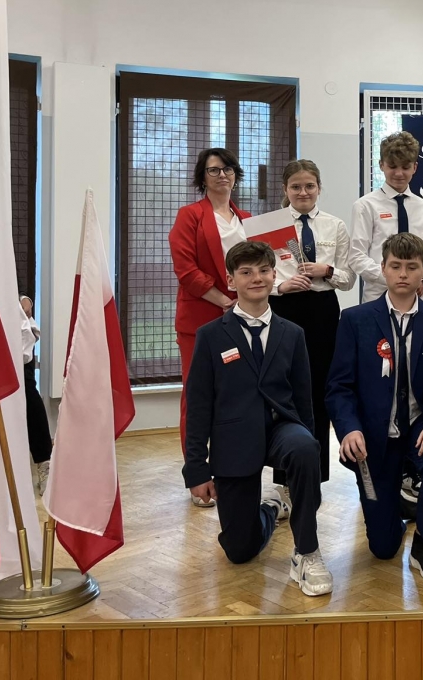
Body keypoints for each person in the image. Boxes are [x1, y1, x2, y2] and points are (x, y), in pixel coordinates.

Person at [182, 241, 332, 596]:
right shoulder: (210, 336)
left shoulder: (292, 333)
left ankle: (307, 553)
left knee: (304, 447)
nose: (256, 278)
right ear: (231, 280)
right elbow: (198, 406)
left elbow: (304, 398)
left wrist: (309, 450)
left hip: (282, 429)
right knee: (239, 550)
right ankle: (270, 508)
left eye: (264, 270)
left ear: (274, 274)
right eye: (246, 272)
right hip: (234, 440)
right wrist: (197, 470)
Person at [326, 233, 423, 582]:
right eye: (395, 266)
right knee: (382, 548)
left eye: (411, 267)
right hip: (373, 434)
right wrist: (349, 429)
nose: (403, 274)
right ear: (382, 269)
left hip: (420, 425)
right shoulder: (355, 320)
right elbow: (339, 387)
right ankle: (392, 512)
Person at [168, 147, 250, 504]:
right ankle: (198, 476)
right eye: (214, 170)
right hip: (201, 320)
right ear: (202, 177)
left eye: (228, 169)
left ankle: (233, 469)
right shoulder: (189, 216)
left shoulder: (247, 219)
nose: (222, 175)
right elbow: (186, 270)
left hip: (242, 320)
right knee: (197, 397)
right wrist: (224, 301)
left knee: (237, 396)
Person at [269, 159, 355, 491]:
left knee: (319, 388)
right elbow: (259, 276)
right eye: (296, 187)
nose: (303, 192)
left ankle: (315, 475)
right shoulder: (270, 225)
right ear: (285, 189)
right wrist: (281, 287)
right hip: (284, 309)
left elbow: (348, 280)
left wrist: (326, 271)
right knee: (285, 389)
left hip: (322, 311)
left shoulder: (335, 225)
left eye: (309, 186)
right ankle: (283, 478)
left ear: (319, 188)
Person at [348, 130, 423, 304]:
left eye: (405, 167)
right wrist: (392, 279)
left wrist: (422, 281)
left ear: (415, 167)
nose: (399, 173)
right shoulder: (365, 206)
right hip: (378, 297)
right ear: (381, 165)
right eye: (392, 166)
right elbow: (357, 256)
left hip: (420, 296)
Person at [19, 295, 52, 496]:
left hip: (19, 343)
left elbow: (16, 286)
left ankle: (44, 464)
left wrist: (24, 299)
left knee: (29, 396)